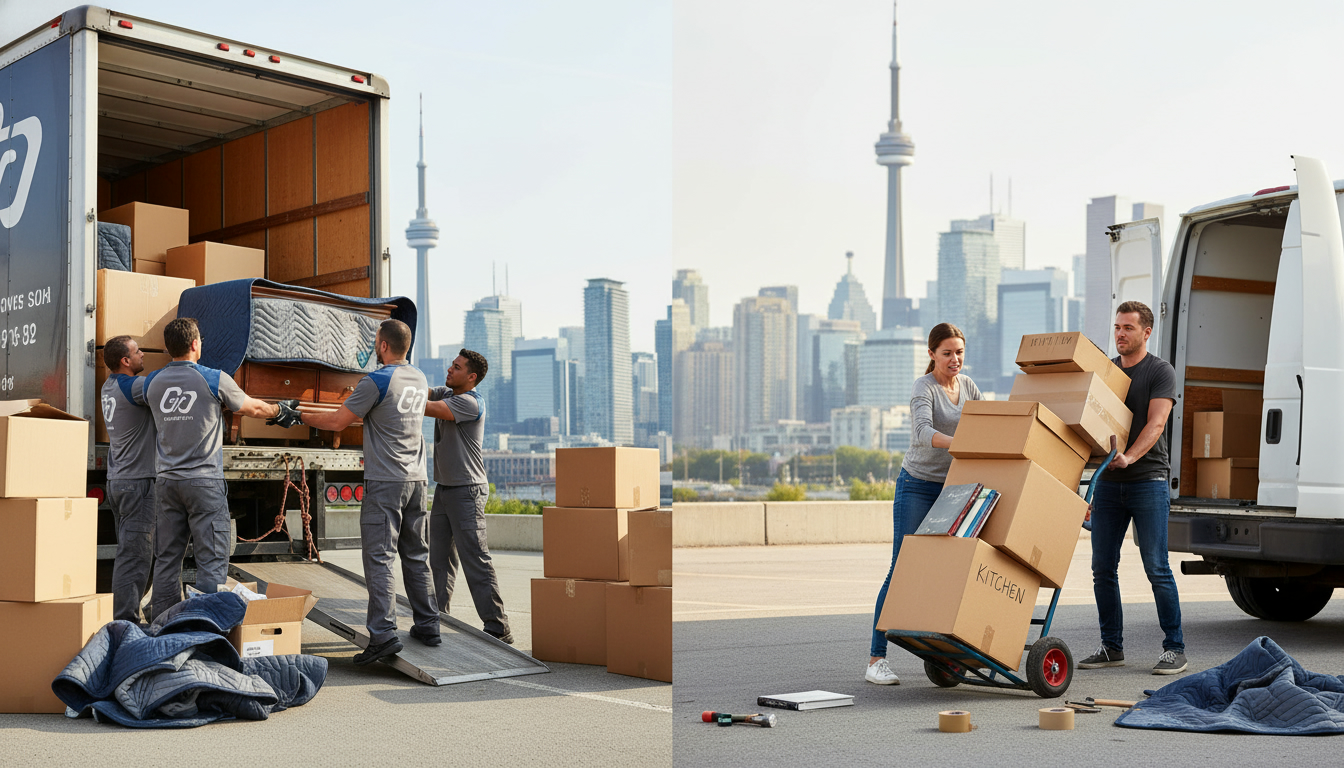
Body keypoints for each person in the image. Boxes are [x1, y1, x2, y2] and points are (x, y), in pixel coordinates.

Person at [294, 319, 440, 665]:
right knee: (416, 554)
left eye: (376, 342)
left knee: (380, 556)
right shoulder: (418, 378)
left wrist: (297, 413)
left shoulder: (376, 381)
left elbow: (337, 421)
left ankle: (383, 634)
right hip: (418, 480)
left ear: (384, 345)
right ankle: (429, 624)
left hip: (386, 481)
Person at [142, 318, 293, 620]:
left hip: (167, 482)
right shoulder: (213, 379)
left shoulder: (151, 383)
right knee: (210, 559)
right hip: (203, 483)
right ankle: (208, 628)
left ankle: (164, 625)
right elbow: (252, 408)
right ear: (196, 344)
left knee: (167, 559)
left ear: (166, 347)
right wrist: (281, 411)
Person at [866, 323, 983, 685]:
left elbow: (986, 425)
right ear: (932, 354)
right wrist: (962, 442)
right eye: (947, 352)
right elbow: (922, 433)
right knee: (901, 568)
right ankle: (876, 660)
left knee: (949, 571)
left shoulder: (970, 388)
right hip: (917, 485)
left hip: (954, 488)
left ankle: (945, 651)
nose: (955, 359)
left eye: (959, 352)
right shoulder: (924, 387)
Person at [1078, 301, 1186, 675]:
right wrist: (1085, 485)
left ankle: (1175, 647)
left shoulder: (1160, 372)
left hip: (1147, 480)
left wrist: (1130, 456)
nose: (1120, 333)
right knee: (1102, 567)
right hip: (1108, 483)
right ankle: (1112, 647)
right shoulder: (1107, 373)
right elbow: (1089, 424)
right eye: (1117, 326)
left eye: (1128, 327)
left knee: (1156, 566)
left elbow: (1156, 424)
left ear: (1146, 332)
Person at [423, 349, 514, 644]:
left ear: (471, 377)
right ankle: (437, 617)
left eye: (457, 367)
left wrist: (398, 397)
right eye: (451, 364)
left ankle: (498, 626)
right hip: (445, 488)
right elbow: (421, 392)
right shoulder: (446, 392)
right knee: (438, 559)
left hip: (467, 490)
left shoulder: (470, 402)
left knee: (475, 558)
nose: (450, 369)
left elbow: (429, 408)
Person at [102, 335, 157, 623]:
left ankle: (147, 609)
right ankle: (125, 624)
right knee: (134, 556)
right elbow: (165, 386)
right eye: (137, 351)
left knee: (144, 551)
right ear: (125, 361)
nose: (143, 354)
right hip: (138, 483)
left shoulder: (109, 385)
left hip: (119, 481)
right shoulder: (134, 386)